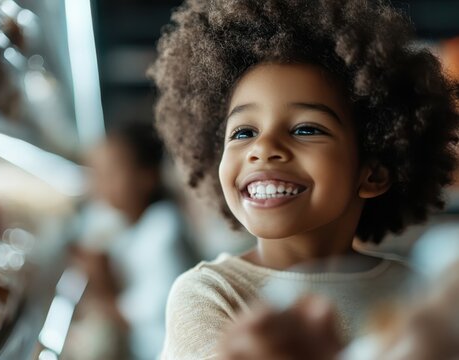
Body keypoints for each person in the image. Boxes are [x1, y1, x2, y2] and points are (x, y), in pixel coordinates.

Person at [148, 0, 459, 358]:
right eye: (243, 132)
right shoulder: (209, 294)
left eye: (306, 129)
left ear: (373, 171)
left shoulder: (418, 291)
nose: (263, 148)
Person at [66, 122, 198, 360]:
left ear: (147, 177)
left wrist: (101, 284)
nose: (100, 183)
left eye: (111, 172)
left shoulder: (164, 229)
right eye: (95, 171)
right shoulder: (125, 221)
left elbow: (144, 314)